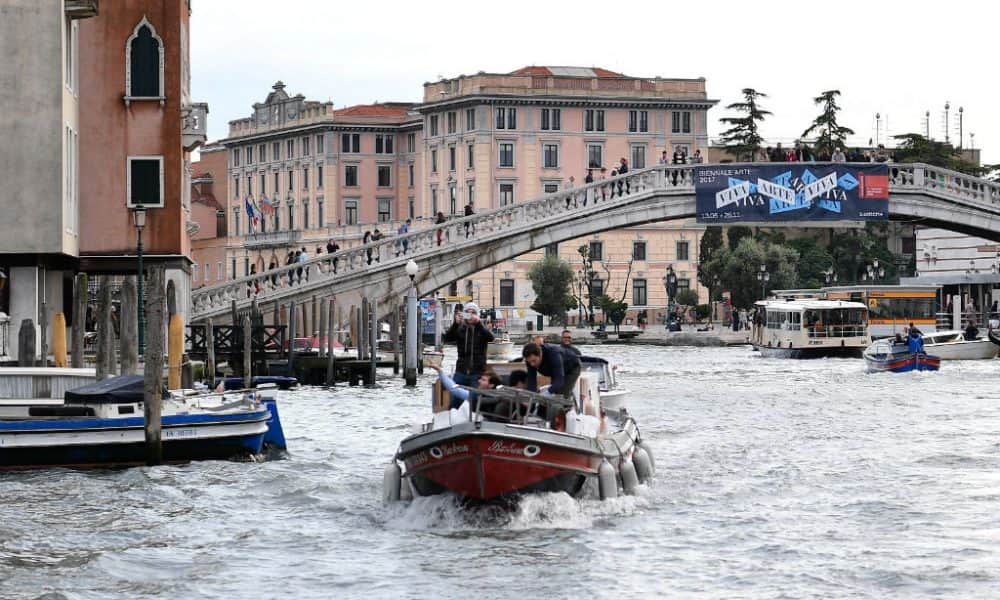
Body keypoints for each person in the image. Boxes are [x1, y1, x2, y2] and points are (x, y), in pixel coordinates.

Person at [443, 301, 495, 394]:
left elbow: (491, 338)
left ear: (477, 315)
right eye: (468, 312)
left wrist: (478, 323)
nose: (470, 315)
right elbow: (447, 339)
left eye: (473, 313)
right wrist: (455, 324)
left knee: (474, 398)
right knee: (454, 396)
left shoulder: (481, 329)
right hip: (461, 371)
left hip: (477, 372)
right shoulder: (460, 328)